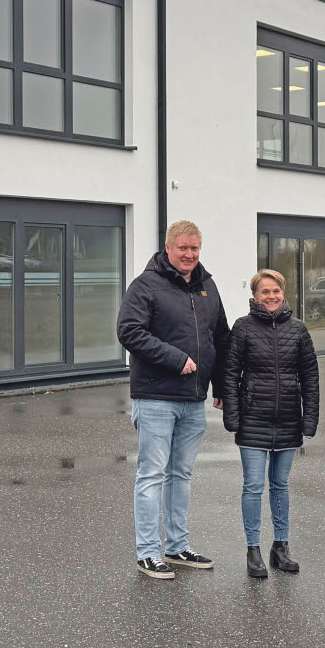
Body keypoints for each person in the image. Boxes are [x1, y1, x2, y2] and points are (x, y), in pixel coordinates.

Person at [116, 219, 231, 579]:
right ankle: (148, 552)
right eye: (183, 248)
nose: (189, 254)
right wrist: (175, 358)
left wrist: (222, 387)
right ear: (168, 248)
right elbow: (128, 331)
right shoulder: (146, 285)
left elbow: (221, 339)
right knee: (151, 475)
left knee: (180, 474)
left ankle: (177, 547)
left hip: (192, 400)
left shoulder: (207, 287)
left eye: (195, 248)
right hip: (155, 398)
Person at [222, 268, 319, 579]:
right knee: (253, 487)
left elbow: (311, 379)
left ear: (283, 292)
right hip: (253, 419)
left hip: (289, 419)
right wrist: (233, 417)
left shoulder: (299, 330)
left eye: (276, 291)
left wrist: (310, 418)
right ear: (255, 296)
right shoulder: (242, 328)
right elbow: (230, 374)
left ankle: (281, 546)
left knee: (280, 486)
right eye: (265, 292)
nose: (271, 296)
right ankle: (253, 549)